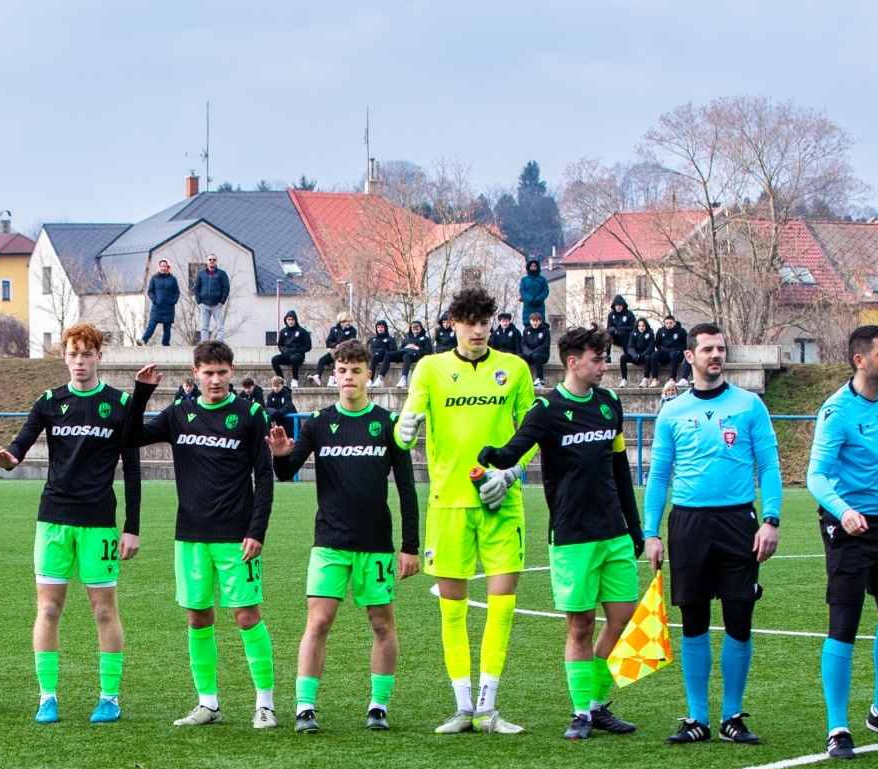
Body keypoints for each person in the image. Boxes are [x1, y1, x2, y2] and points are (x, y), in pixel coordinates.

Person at [478, 326, 644, 739]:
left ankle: (596, 704)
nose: (604, 366)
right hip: (572, 534)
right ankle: (582, 712)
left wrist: (634, 525)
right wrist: (493, 457)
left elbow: (620, 469)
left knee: (623, 618)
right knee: (580, 625)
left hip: (613, 531)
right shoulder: (546, 408)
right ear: (573, 362)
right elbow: (515, 449)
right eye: (597, 359)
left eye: (605, 358)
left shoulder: (609, 403)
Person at [0, 323, 149, 724]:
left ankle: (109, 698)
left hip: (99, 522)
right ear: (64, 357)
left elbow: (132, 469)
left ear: (99, 357)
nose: (79, 361)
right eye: (73, 354)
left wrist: (131, 526)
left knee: (104, 612)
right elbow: (20, 445)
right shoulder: (50, 401)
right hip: (54, 520)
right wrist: (9, 460)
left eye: (86, 354)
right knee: (47, 610)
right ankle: (47, 697)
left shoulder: (119, 403)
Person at [395, 285, 535, 734]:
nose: (478, 331)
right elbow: (406, 430)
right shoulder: (430, 368)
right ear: (453, 324)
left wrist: (511, 474)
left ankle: (488, 708)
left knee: (501, 605)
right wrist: (404, 429)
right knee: (452, 610)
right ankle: (462, 708)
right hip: (449, 504)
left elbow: (534, 431)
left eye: (484, 323)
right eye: (469, 323)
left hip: (501, 502)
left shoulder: (514, 368)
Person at [266, 338, 420, 732]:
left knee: (382, 624)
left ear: (368, 374)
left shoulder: (388, 423)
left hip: (375, 544)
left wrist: (410, 547)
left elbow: (406, 488)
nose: (348, 377)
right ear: (333, 375)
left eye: (355, 370)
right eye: (342, 370)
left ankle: (378, 707)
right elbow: (286, 472)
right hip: (329, 543)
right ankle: (304, 707)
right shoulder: (318, 423)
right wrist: (280, 455)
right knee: (318, 622)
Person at [122, 340, 277, 728]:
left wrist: (257, 529)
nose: (216, 380)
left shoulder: (250, 414)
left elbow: (265, 475)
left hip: (237, 538)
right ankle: (208, 704)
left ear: (232, 372)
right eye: (208, 373)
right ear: (195, 374)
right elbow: (130, 435)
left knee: (247, 617)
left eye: (222, 372)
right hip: (190, 537)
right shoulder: (179, 413)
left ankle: (265, 704)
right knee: (198, 617)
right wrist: (142, 392)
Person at [642, 323, 782, 745]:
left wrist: (771, 519)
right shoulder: (672, 411)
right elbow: (659, 476)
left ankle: (731, 717)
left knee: (739, 618)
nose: (716, 355)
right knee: (694, 620)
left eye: (721, 349)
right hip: (688, 524)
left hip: (738, 522)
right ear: (690, 356)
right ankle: (697, 718)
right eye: (707, 349)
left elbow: (769, 466)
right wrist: (651, 532)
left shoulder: (749, 405)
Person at [806, 324, 878, 758]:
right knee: (845, 623)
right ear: (860, 360)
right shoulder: (836, 412)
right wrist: (844, 511)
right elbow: (816, 476)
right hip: (848, 530)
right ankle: (838, 727)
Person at [143, 258, 180, 347]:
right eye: (162, 266)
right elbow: (150, 291)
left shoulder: (172, 279)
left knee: (167, 328)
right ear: (159, 267)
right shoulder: (154, 278)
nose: (163, 268)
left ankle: (165, 344)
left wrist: (173, 301)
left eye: (165, 266)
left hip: (168, 307)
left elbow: (177, 292)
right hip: (157, 307)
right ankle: (143, 340)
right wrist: (154, 300)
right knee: (152, 325)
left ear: (168, 267)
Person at [313, 313, 358, 383]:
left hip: (345, 353)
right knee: (322, 360)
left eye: (350, 321)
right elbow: (328, 342)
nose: (348, 323)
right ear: (341, 321)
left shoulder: (352, 331)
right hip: (334, 351)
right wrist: (336, 345)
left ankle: (333, 378)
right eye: (347, 321)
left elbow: (351, 343)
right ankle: (317, 376)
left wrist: (341, 345)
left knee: (337, 359)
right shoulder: (334, 329)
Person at [194, 253, 230, 341]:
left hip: (217, 305)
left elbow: (226, 288)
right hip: (204, 305)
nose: (212, 261)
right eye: (210, 259)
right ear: (207, 261)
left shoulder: (222, 274)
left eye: (214, 259)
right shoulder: (201, 274)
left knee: (220, 327)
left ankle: (220, 342)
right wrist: (199, 301)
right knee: (204, 327)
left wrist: (222, 301)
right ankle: (204, 343)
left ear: (216, 261)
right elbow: (196, 288)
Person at [270, 310, 312, 381]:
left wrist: (297, 350)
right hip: (286, 355)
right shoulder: (283, 331)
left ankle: (295, 379)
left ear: (295, 320)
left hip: (298, 356)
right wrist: (284, 350)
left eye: (292, 320)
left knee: (294, 358)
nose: (290, 322)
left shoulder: (302, 331)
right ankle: (282, 380)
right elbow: (280, 345)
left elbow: (308, 346)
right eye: (289, 320)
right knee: (274, 360)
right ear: (286, 320)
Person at [653, 315, 688, 387]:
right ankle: (655, 379)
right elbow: (657, 343)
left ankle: (672, 378)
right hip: (664, 353)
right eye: (667, 323)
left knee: (673, 354)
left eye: (670, 323)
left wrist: (676, 349)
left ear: (674, 323)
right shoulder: (661, 331)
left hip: (677, 354)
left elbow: (685, 345)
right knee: (654, 355)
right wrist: (663, 349)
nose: (668, 325)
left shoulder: (681, 331)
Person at [520, 311, 552, 387]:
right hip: (529, 354)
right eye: (533, 321)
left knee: (536, 356)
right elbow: (523, 344)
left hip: (542, 355)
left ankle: (540, 379)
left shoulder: (545, 331)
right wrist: (528, 353)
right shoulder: (526, 331)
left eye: (536, 321)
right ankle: (521, 378)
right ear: (530, 321)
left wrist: (533, 352)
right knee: (520, 356)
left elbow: (546, 345)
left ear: (540, 321)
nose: (535, 323)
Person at [623, 317, 656, 387]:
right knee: (623, 357)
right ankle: (624, 379)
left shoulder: (650, 334)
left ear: (646, 326)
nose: (641, 328)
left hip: (644, 356)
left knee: (649, 357)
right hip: (635, 356)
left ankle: (645, 379)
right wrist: (635, 356)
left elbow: (651, 347)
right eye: (639, 326)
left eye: (643, 326)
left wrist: (642, 355)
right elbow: (630, 347)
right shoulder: (633, 334)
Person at [366, 320, 398, 385]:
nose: (380, 329)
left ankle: (378, 379)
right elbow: (367, 348)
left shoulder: (390, 339)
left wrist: (381, 350)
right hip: (374, 356)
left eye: (381, 327)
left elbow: (393, 351)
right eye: (378, 327)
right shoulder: (372, 339)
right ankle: (370, 379)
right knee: (374, 356)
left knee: (377, 354)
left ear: (385, 328)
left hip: (384, 356)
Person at [605, 295, 634, 366]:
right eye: (616, 305)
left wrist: (619, 328)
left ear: (623, 305)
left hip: (626, 337)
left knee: (621, 333)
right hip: (615, 337)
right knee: (607, 334)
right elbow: (609, 326)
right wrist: (614, 330)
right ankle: (608, 356)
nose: (618, 307)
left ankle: (627, 355)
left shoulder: (629, 314)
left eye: (620, 305)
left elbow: (632, 328)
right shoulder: (611, 315)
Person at [519, 258, 549, 323]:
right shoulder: (524, 279)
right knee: (528, 323)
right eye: (531, 266)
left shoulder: (542, 279)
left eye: (535, 266)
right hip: (528, 305)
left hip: (539, 305)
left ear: (537, 267)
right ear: (528, 267)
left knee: (540, 323)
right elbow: (522, 291)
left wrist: (538, 299)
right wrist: (531, 299)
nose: (533, 267)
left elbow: (545, 291)